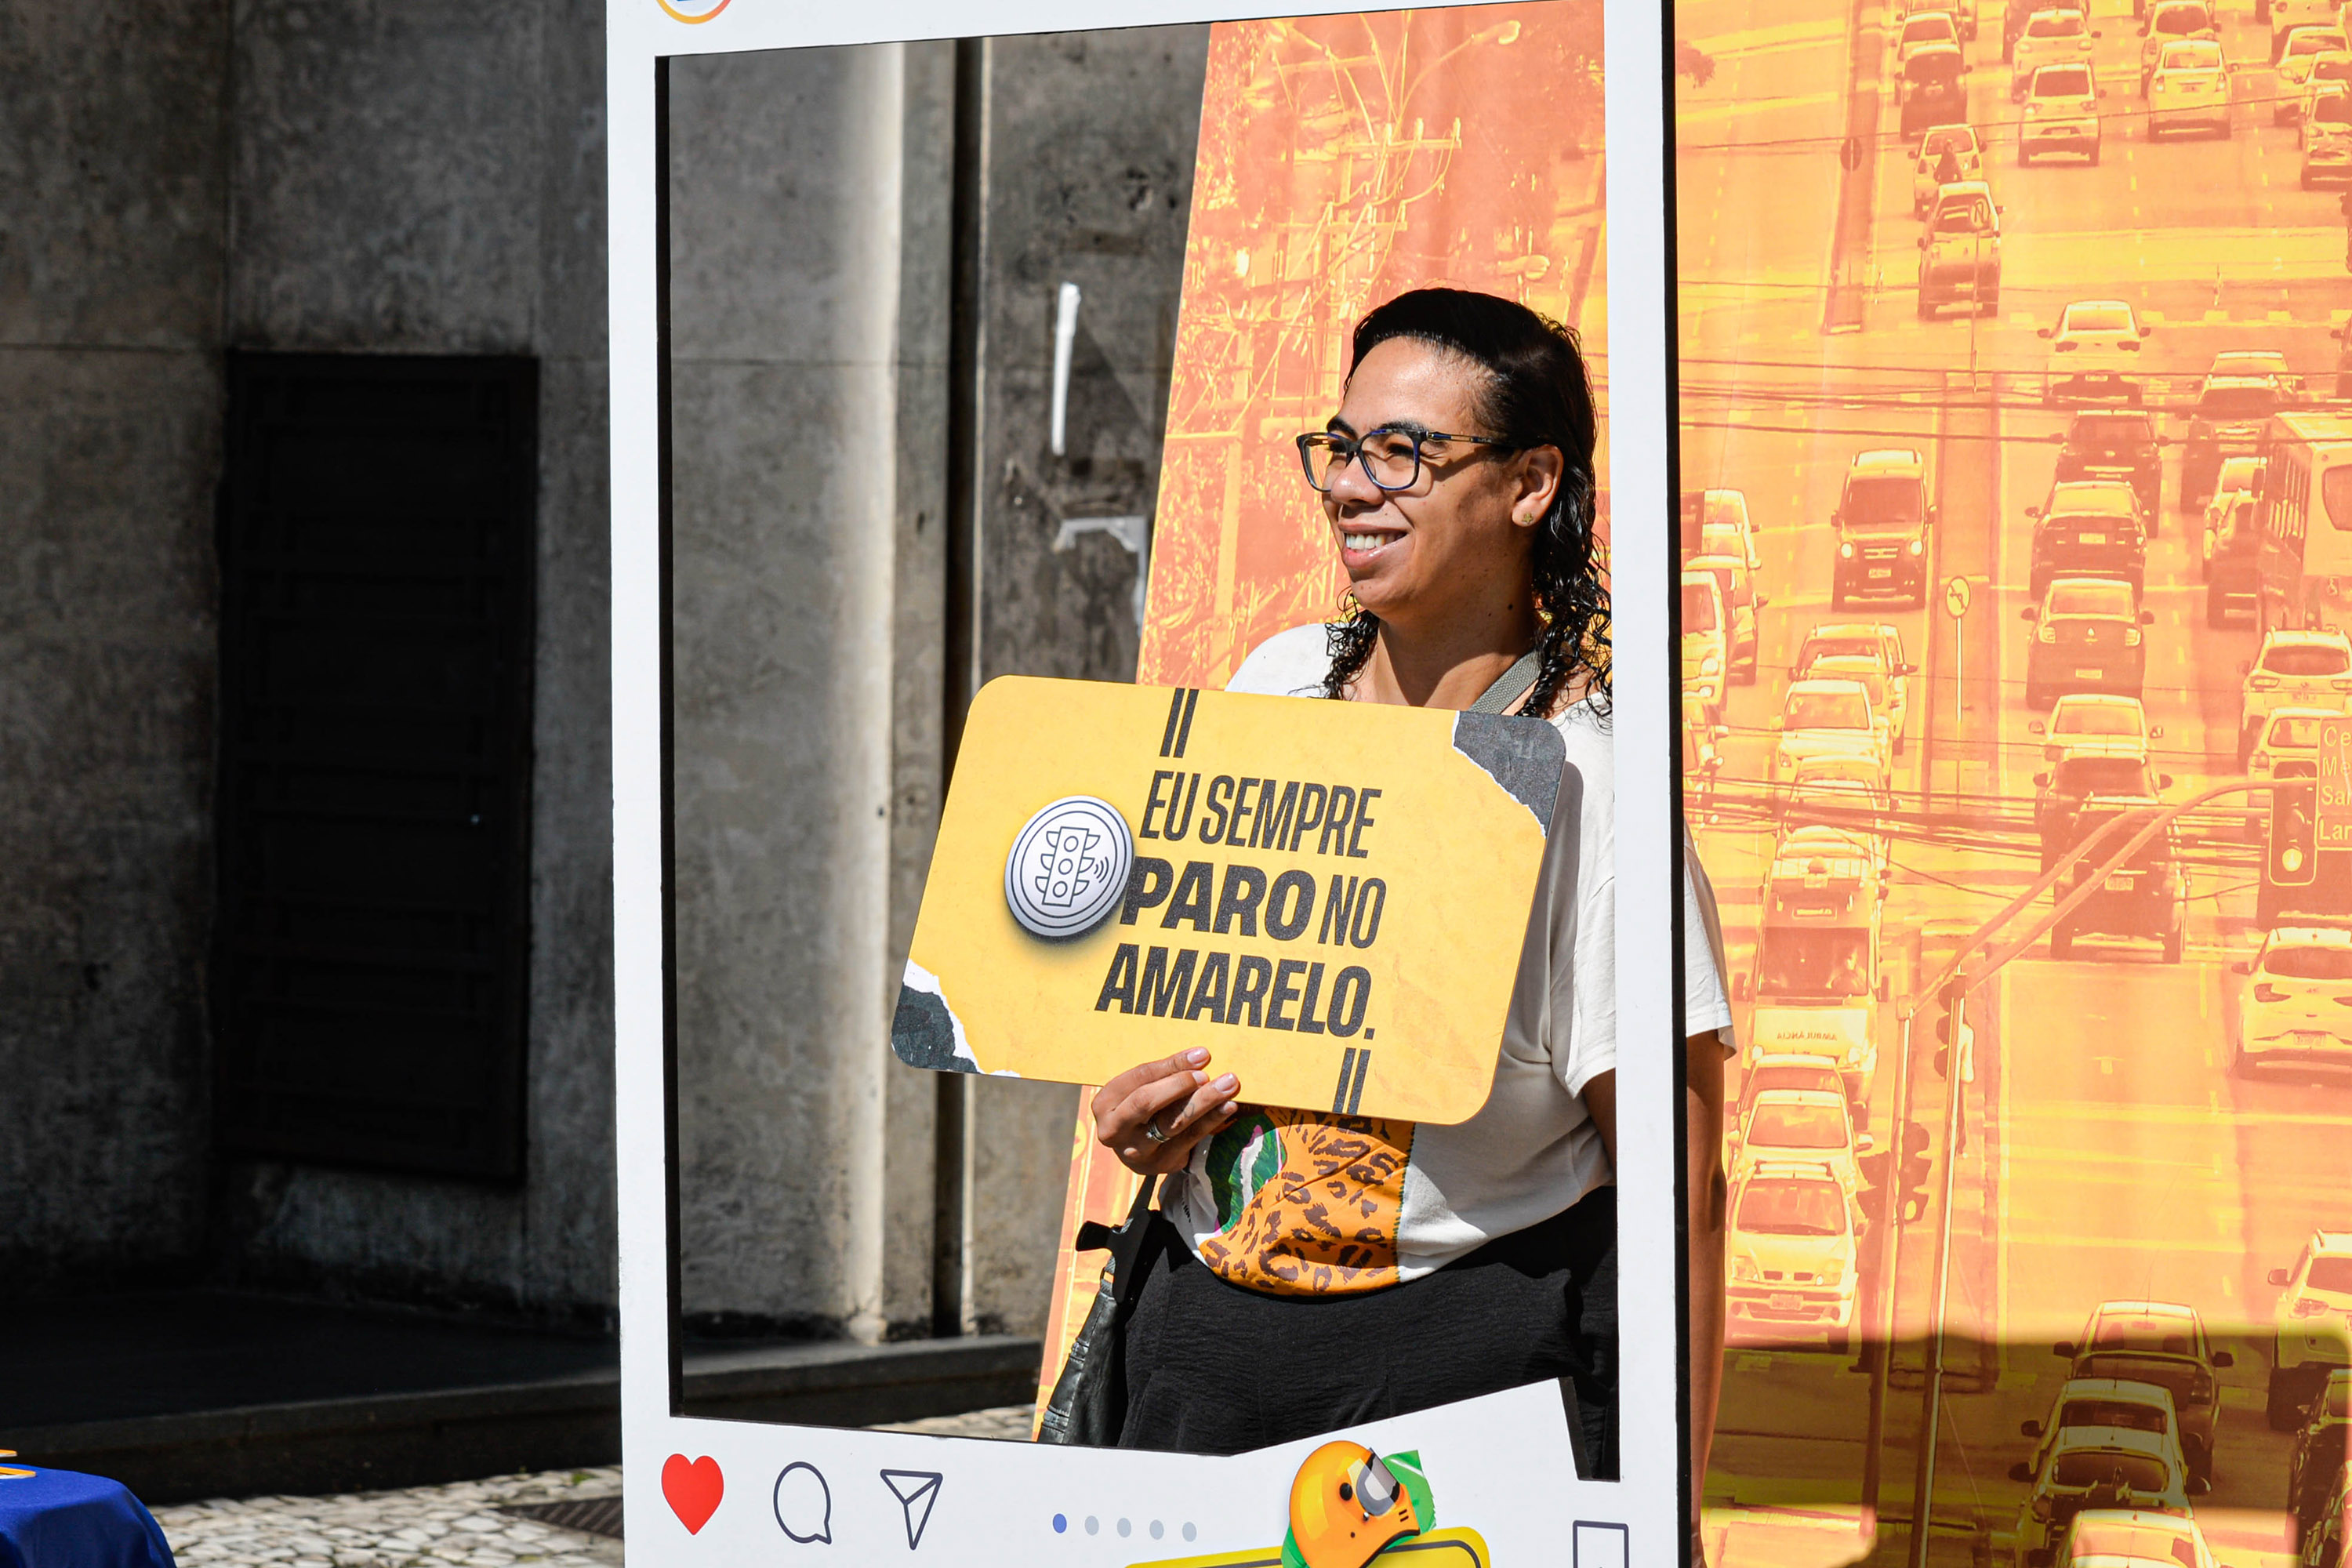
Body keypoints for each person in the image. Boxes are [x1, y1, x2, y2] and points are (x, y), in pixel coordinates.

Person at [1087, 288, 1735, 1480]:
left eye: (1402, 452)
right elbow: (1193, 1014)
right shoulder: (1275, 688)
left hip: (1459, 1380)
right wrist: (1150, 1124)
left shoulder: (1590, 784)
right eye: (1341, 448)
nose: (1349, 486)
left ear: (1531, 483)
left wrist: (1664, 1514)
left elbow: (1679, 1192)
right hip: (1201, 1351)